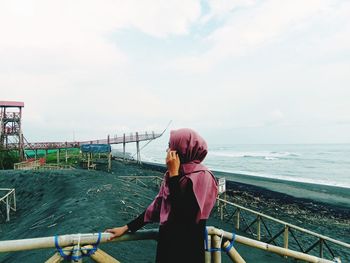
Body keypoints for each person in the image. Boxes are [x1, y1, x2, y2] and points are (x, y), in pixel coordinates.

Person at [105, 128, 218, 263]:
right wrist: (126, 228)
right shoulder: (175, 175)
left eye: (171, 145)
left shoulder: (202, 177)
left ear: (182, 149)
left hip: (187, 249)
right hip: (167, 244)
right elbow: (156, 207)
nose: (167, 150)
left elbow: (185, 216)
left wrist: (174, 175)